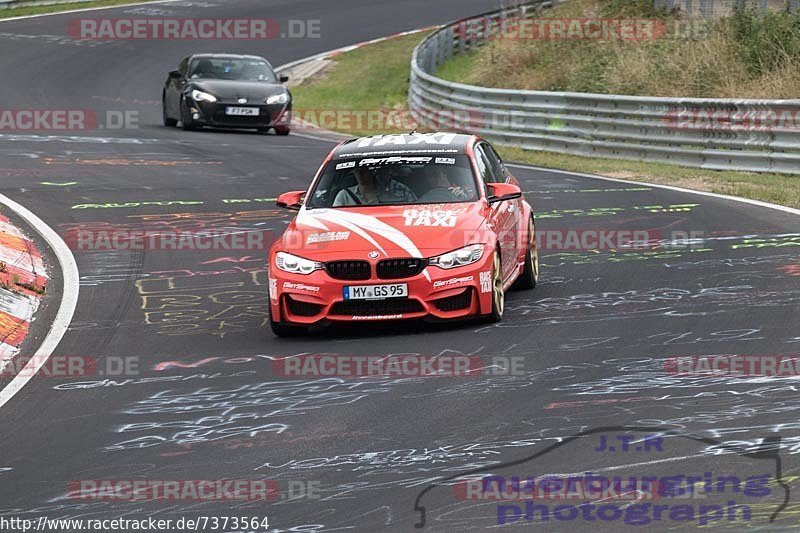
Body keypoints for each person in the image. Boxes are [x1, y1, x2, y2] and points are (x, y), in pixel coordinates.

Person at [333, 166, 417, 206]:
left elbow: (416, 211)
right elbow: (334, 220)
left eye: (364, 170)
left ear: (372, 172)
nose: (360, 174)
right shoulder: (344, 195)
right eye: (357, 170)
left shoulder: (398, 193)